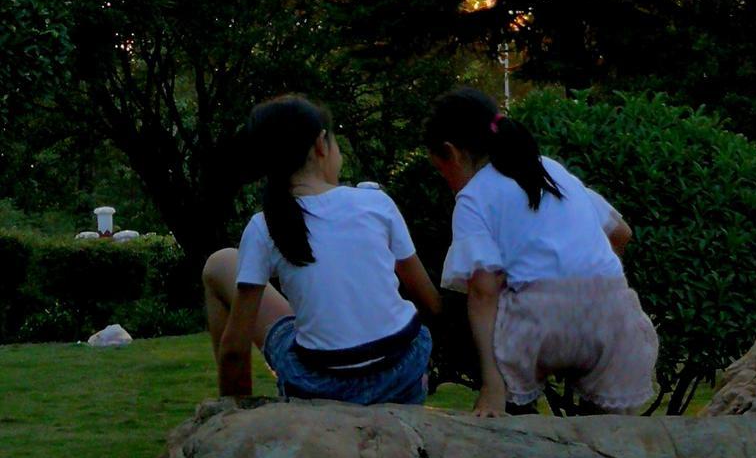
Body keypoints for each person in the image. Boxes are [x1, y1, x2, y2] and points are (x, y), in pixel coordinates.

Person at [424, 87, 658, 418]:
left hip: (538, 327)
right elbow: (621, 233)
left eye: (441, 170)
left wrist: (492, 384)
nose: (446, 180)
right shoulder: (549, 169)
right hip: (613, 320)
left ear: (452, 153)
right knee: (610, 424)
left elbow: (483, 291)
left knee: (474, 305)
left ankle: (510, 406)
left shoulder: (473, 197)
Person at [203, 95, 440, 403]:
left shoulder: (263, 226)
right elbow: (428, 299)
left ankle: (235, 410)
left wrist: (232, 419)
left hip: (321, 386)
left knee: (220, 264)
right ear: (320, 144)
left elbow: (235, 349)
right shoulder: (376, 203)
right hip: (401, 377)